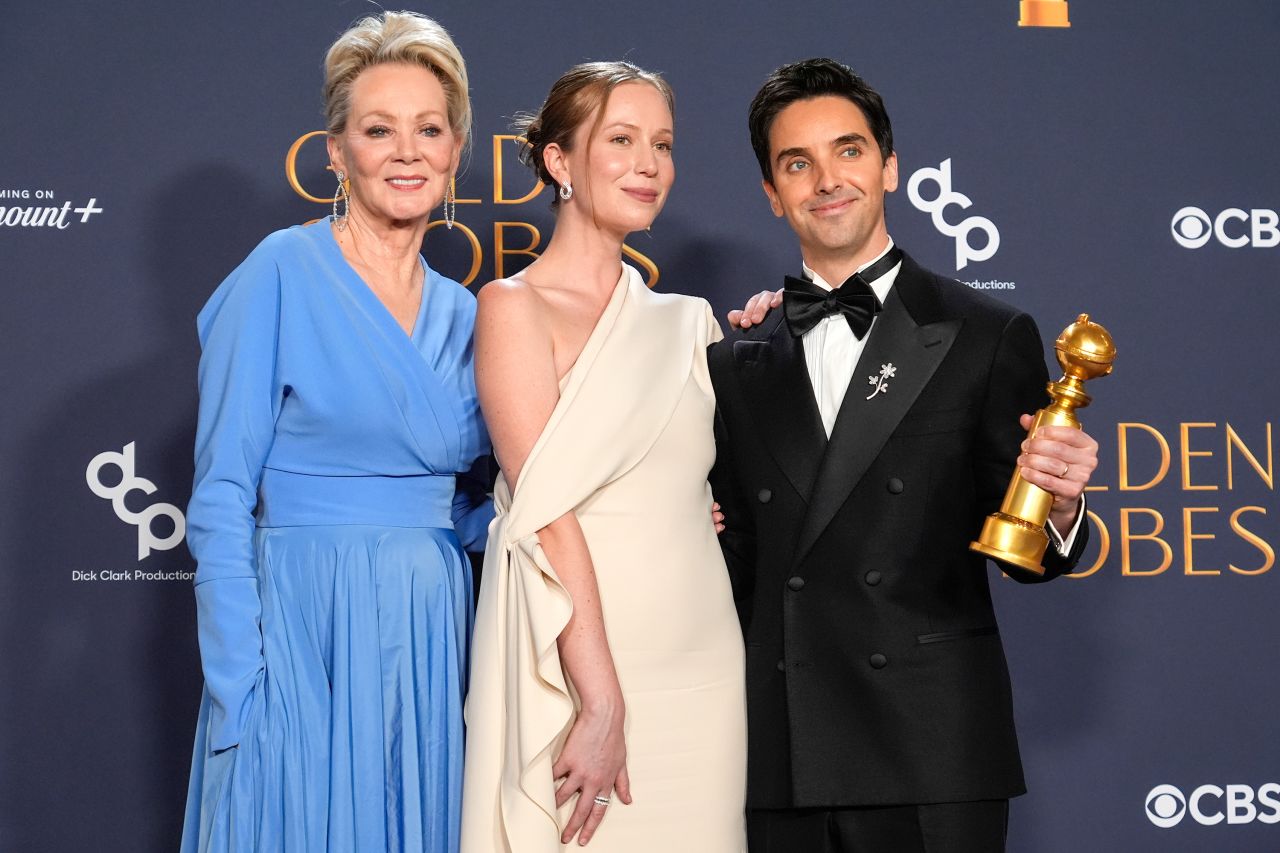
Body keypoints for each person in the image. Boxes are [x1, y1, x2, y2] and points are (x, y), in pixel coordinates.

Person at [708, 58, 1100, 853]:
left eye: (848, 151)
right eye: (796, 163)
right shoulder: (735, 359)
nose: (826, 179)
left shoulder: (987, 335)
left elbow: (1027, 555)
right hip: (780, 753)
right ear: (771, 192)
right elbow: (740, 560)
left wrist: (1059, 506)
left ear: (890, 166)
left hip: (930, 751)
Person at [180, 12, 492, 852]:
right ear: (336, 151)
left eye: (430, 129)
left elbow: (469, 502)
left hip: (431, 639)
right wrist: (240, 686)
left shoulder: (469, 315)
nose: (406, 151)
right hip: (302, 635)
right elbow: (218, 495)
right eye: (378, 129)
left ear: (456, 150)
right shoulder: (278, 272)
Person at [460, 63, 747, 852]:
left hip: (702, 662)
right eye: (620, 140)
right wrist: (601, 698)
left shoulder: (691, 324)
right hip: (576, 662)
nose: (648, 163)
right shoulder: (511, 307)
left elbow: (704, 485)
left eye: (662, 143)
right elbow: (546, 511)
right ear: (560, 161)